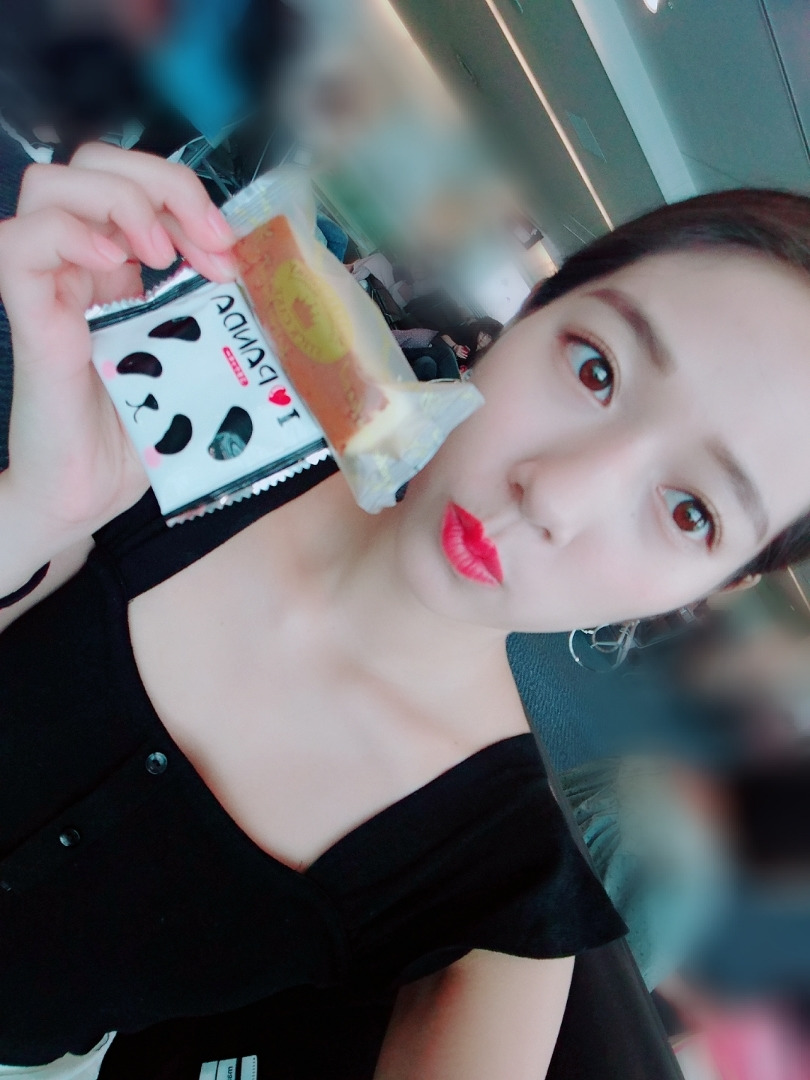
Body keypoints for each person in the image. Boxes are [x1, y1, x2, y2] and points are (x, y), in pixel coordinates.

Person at [3, 146, 810, 1080]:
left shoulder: (498, 898)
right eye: (595, 368)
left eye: (690, 512)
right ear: (530, 314)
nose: (553, 496)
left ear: (713, 587)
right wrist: (39, 511)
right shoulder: (213, 421)